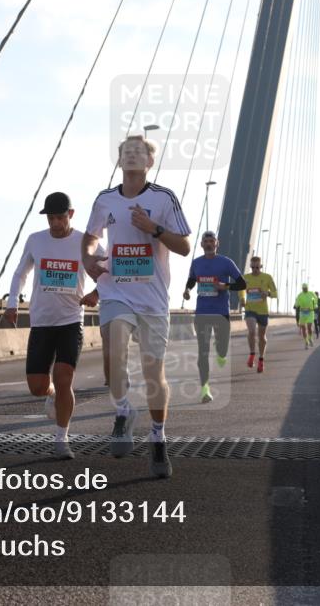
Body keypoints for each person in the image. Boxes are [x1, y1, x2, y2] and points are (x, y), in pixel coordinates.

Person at [82, 134, 191, 478]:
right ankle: (124, 410)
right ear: (119, 160)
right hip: (116, 291)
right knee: (113, 351)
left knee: (153, 374)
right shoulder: (105, 200)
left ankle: (157, 438)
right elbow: (91, 237)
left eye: (139, 152)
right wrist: (88, 260)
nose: (131, 155)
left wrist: (153, 228)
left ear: (149, 162)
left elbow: (185, 246)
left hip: (153, 299)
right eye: (126, 151)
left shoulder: (163, 198)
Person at [5, 192, 99, 460]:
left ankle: (62, 438)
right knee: (37, 385)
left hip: (71, 321)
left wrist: (96, 293)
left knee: (64, 376)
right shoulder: (36, 240)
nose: (55, 223)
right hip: (42, 322)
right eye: (51, 218)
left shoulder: (85, 242)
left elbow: (111, 266)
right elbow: (20, 273)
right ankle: (51, 394)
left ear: (70, 214)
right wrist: (13, 303)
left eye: (60, 217)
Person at [182, 231, 247, 403]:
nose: (209, 244)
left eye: (212, 241)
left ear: (217, 243)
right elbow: (191, 280)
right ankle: (205, 390)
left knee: (222, 348)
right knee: (203, 353)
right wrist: (187, 290)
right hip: (202, 312)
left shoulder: (226, 262)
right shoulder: (196, 263)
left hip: (221, 313)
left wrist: (224, 286)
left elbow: (242, 283)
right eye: (206, 241)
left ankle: (222, 353)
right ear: (202, 244)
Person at [238, 256, 278, 373]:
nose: (255, 269)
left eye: (257, 267)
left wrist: (268, 293)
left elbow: (275, 293)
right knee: (251, 331)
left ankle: (261, 360)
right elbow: (241, 289)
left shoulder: (267, 277)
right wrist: (242, 298)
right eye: (253, 267)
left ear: (261, 266)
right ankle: (251, 355)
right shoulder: (246, 278)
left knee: (262, 337)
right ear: (250, 267)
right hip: (250, 309)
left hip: (263, 311)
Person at [293, 283, 318, 349]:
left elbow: (315, 300)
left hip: (310, 312)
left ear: (307, 288)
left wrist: (314, 305)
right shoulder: (300, 295)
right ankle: (306, 341)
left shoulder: (311, 294)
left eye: (306, 288)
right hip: (302, 312)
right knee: (303, 328)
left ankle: (310, 338)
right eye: (304, 288)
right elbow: (297, 302)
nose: (305, 289)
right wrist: (296, 305)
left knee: (309, 326)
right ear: (302, 289)